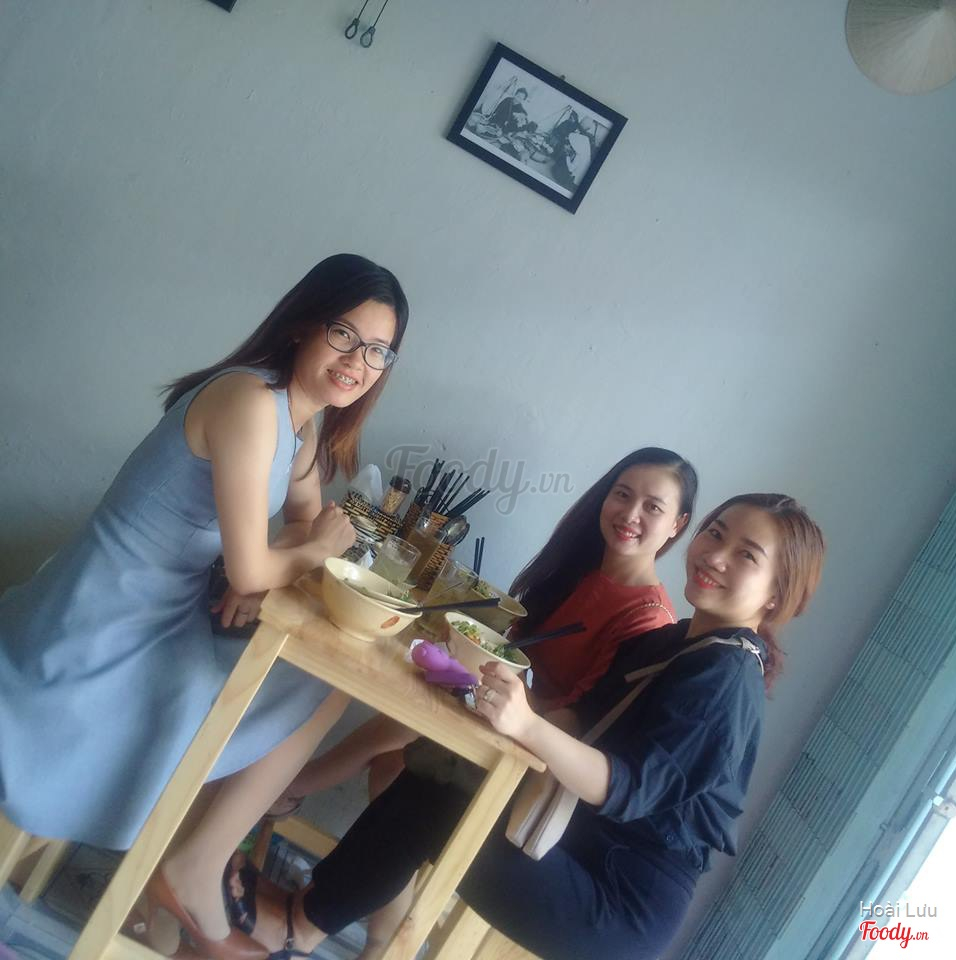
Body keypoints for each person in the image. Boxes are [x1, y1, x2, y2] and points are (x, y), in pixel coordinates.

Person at [0, 253, 409, 959]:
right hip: (103, 617)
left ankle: (197, 864)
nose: (358, 361)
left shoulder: (302, 425)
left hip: (167, 610)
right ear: (304, 324)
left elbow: (298, 527)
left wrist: (279, 567)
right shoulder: (249, 401)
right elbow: (276, 554)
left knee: (319, 683)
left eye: (378, 350)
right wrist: (290, 561)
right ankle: (190, 869)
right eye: (344, 334)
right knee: (302, 685)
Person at [233, 493, 825, 960]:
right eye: (717, 534)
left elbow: (622, 786)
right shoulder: (678, 641)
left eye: (747, 555)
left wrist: (524, 724)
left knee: (439, 804)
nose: (716, 556)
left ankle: (298, 926)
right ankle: (306, 913)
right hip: (574, 839)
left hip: (613, 903)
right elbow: (579, 717)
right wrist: (487, 691)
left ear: (777, 596)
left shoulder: (726, 678)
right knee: (436, 772)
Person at [258, 448, 697, 956]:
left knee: (411, 747)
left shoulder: (647, 619)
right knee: (394, 760)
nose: (630, 513)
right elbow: (519, 648)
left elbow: (579, 723)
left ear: (677, 526)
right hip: (503, 715)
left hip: (533, 758)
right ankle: (375, 940)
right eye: (622, 494)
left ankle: (288, 802)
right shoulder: (583, 569)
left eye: (652, 506)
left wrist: (495, 685)